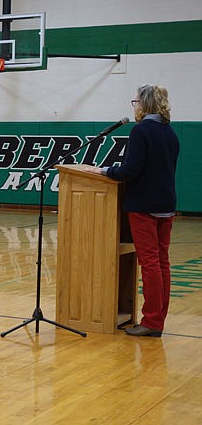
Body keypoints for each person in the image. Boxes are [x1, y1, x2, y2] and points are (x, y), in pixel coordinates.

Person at [83, 84, 179, 337]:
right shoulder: (170, 132)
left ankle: (151, 322)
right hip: (166, 204)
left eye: (135, 101)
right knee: (161, 263)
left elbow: (130, 171)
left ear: (145, 104)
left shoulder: (141, 131)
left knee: (149, 264)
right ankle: (157, 319)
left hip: (144, 207)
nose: (134, 106)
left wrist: (102, 171)